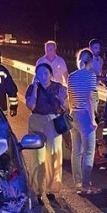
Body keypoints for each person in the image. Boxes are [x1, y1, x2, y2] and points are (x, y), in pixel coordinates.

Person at [25, 63, 68, 204]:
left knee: (54, 156)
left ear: (51, 74)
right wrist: (35, 89)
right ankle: (36, 191)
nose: (43, 76)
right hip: (36, 121)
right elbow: (30, 106)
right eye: (39, 73)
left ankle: (52, 189)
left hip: (53, 122)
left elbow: (66, 107)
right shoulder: (32, 88)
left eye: (46, 73)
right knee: (37, 158)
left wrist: (61, 100)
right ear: (36, 75)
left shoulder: (58, 88)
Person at [68, 48, 101, 195]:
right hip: (85, 116)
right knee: (88, 151)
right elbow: (89, 98)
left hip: (73, 114)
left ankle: (78, 182)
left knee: (76, 151)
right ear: (90, 61)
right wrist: (93, 119)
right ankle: (86, 185)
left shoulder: (71, 76)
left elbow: (70, 97)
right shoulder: (91, 75)